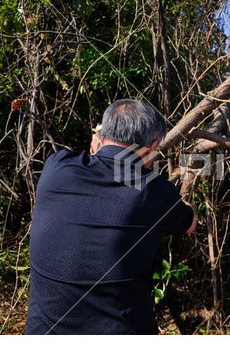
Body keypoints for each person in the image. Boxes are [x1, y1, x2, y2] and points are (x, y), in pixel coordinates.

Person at [25, 99, 197, 335]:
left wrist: (100, 151)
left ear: (101, 135)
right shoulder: (153, 191)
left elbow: (102, 168)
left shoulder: (57, 167)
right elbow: (190, 223)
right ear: (153, 145)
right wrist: (181, 203)